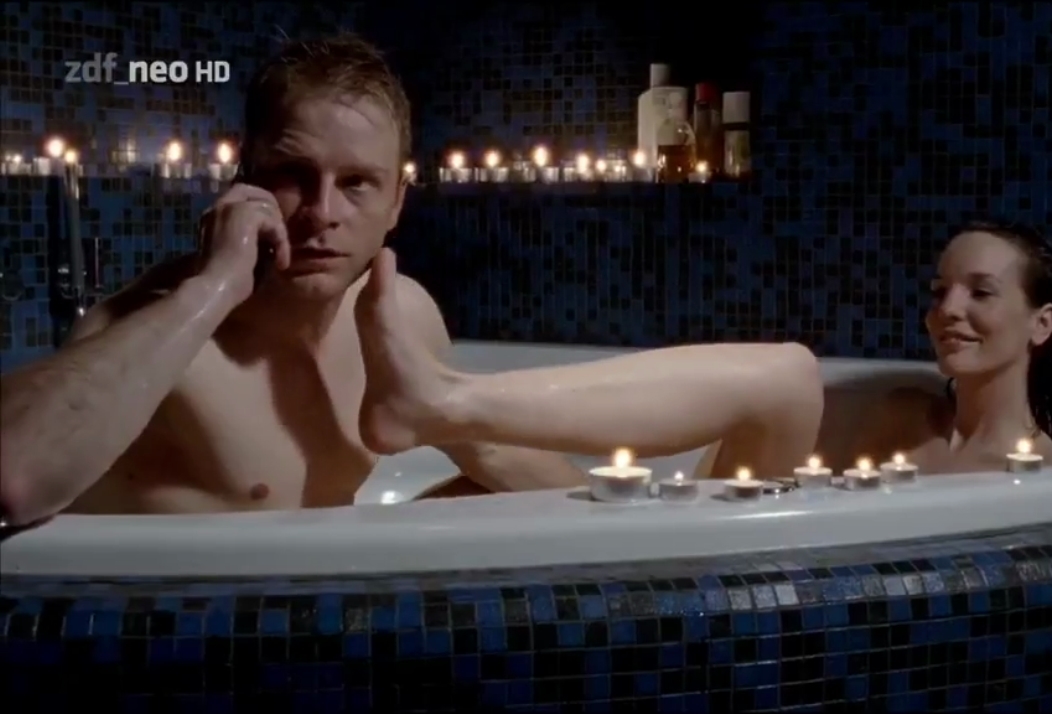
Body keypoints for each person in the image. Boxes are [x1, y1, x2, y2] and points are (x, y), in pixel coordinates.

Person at [0, 34, 823, 526]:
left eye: (357, 183)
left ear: (397, 201)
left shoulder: (398, 314)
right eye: (292, 176)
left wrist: (625, 539)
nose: (322, 213)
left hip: (344, 627)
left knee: (784, 382)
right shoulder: (153, 333)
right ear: (244, 177)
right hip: (199, 656)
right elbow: (12, 478)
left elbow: (516, 477)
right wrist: (211, 288)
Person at [816, 220, 1052, 473]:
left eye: (981, 293)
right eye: (940, 292)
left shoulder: (1044, 471)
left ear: (1042, 324)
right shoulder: (903, 420)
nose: (947, 309)